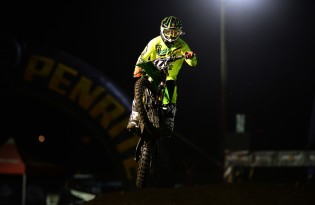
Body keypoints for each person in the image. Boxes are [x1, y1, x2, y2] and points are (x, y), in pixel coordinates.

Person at [127, 16, 197, 137]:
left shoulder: (183, 45)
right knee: (141, 89)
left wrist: (191, 56)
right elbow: (142, 57)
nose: (171, 35)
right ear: (162, 30)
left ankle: (169, 121)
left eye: (175, 32)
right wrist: (137, 68)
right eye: (169, 32)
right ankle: (134, 117)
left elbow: (193, 63)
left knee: (172, 92)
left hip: (169, 76)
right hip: (154, 73)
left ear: (180, 32)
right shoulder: (155, 42)